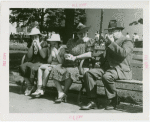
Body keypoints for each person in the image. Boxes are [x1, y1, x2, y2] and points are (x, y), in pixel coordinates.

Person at [80, 20, 134, 110]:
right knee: (89, 73)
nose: (110, 33)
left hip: (121, 69)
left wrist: (112, 43)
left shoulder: (127, 41)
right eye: (109, 31)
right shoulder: (110, 41)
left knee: (106, 76)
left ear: (119, 31)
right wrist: (100, 61)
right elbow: (106, 55)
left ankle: (114, 99)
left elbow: (124, 53)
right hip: (108, 68)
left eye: (113, 31)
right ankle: (92, 100)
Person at [49, 23, 95, 103]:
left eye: (83, 32)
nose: (81, 34)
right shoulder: (72, 41)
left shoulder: (89, 41)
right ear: (76, 33)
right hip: (69, 63)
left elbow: (90, 54)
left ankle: (65, 93)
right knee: (55, 69)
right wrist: (67, 55)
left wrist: (76, 57)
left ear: (86, 32)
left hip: (82, 65)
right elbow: (66, 51)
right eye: (79, 33)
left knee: (70, 72)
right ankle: (60, 93)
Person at [19, 27, 48, 96]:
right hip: (33, 61)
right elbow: (29, 57)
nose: (34, 38)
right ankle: (30, 86)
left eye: (36, 36)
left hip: (41, 62)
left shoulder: (44, 43)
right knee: (22, 67)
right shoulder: (31, 43)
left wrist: (38, 45)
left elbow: (44, 56)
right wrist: (32, 46)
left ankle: (31, 87)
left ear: (39, 36)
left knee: (32, 68)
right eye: (33, 36)